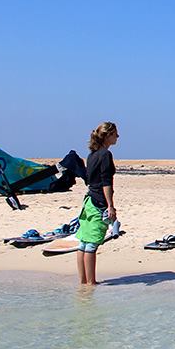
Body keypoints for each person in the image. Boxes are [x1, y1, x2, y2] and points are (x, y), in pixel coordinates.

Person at [77, 121, 119, 286]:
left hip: (88, 200)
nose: (118, 137)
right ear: (107, 135)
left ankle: (83, 282)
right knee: (92, 243)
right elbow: (106, 182)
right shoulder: (104, 155)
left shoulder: (92, 154)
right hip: (98, 202)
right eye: (115, 133)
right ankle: (91, 282)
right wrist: (110, 205)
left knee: (83, 242)